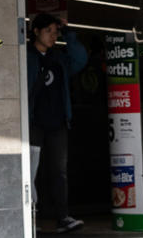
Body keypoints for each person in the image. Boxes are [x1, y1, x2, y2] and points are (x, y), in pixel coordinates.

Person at [27, 12, 88, 234]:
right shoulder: (26, 56)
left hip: (58, 124)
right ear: (36, 32)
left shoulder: (58, 58)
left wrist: (69, 34)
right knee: (31, 171)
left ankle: (63, 217)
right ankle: (30, 217)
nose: (53, 36)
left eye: (55, 32)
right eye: (48, 31)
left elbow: (80, 60)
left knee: (58, 172)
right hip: (34, 123)